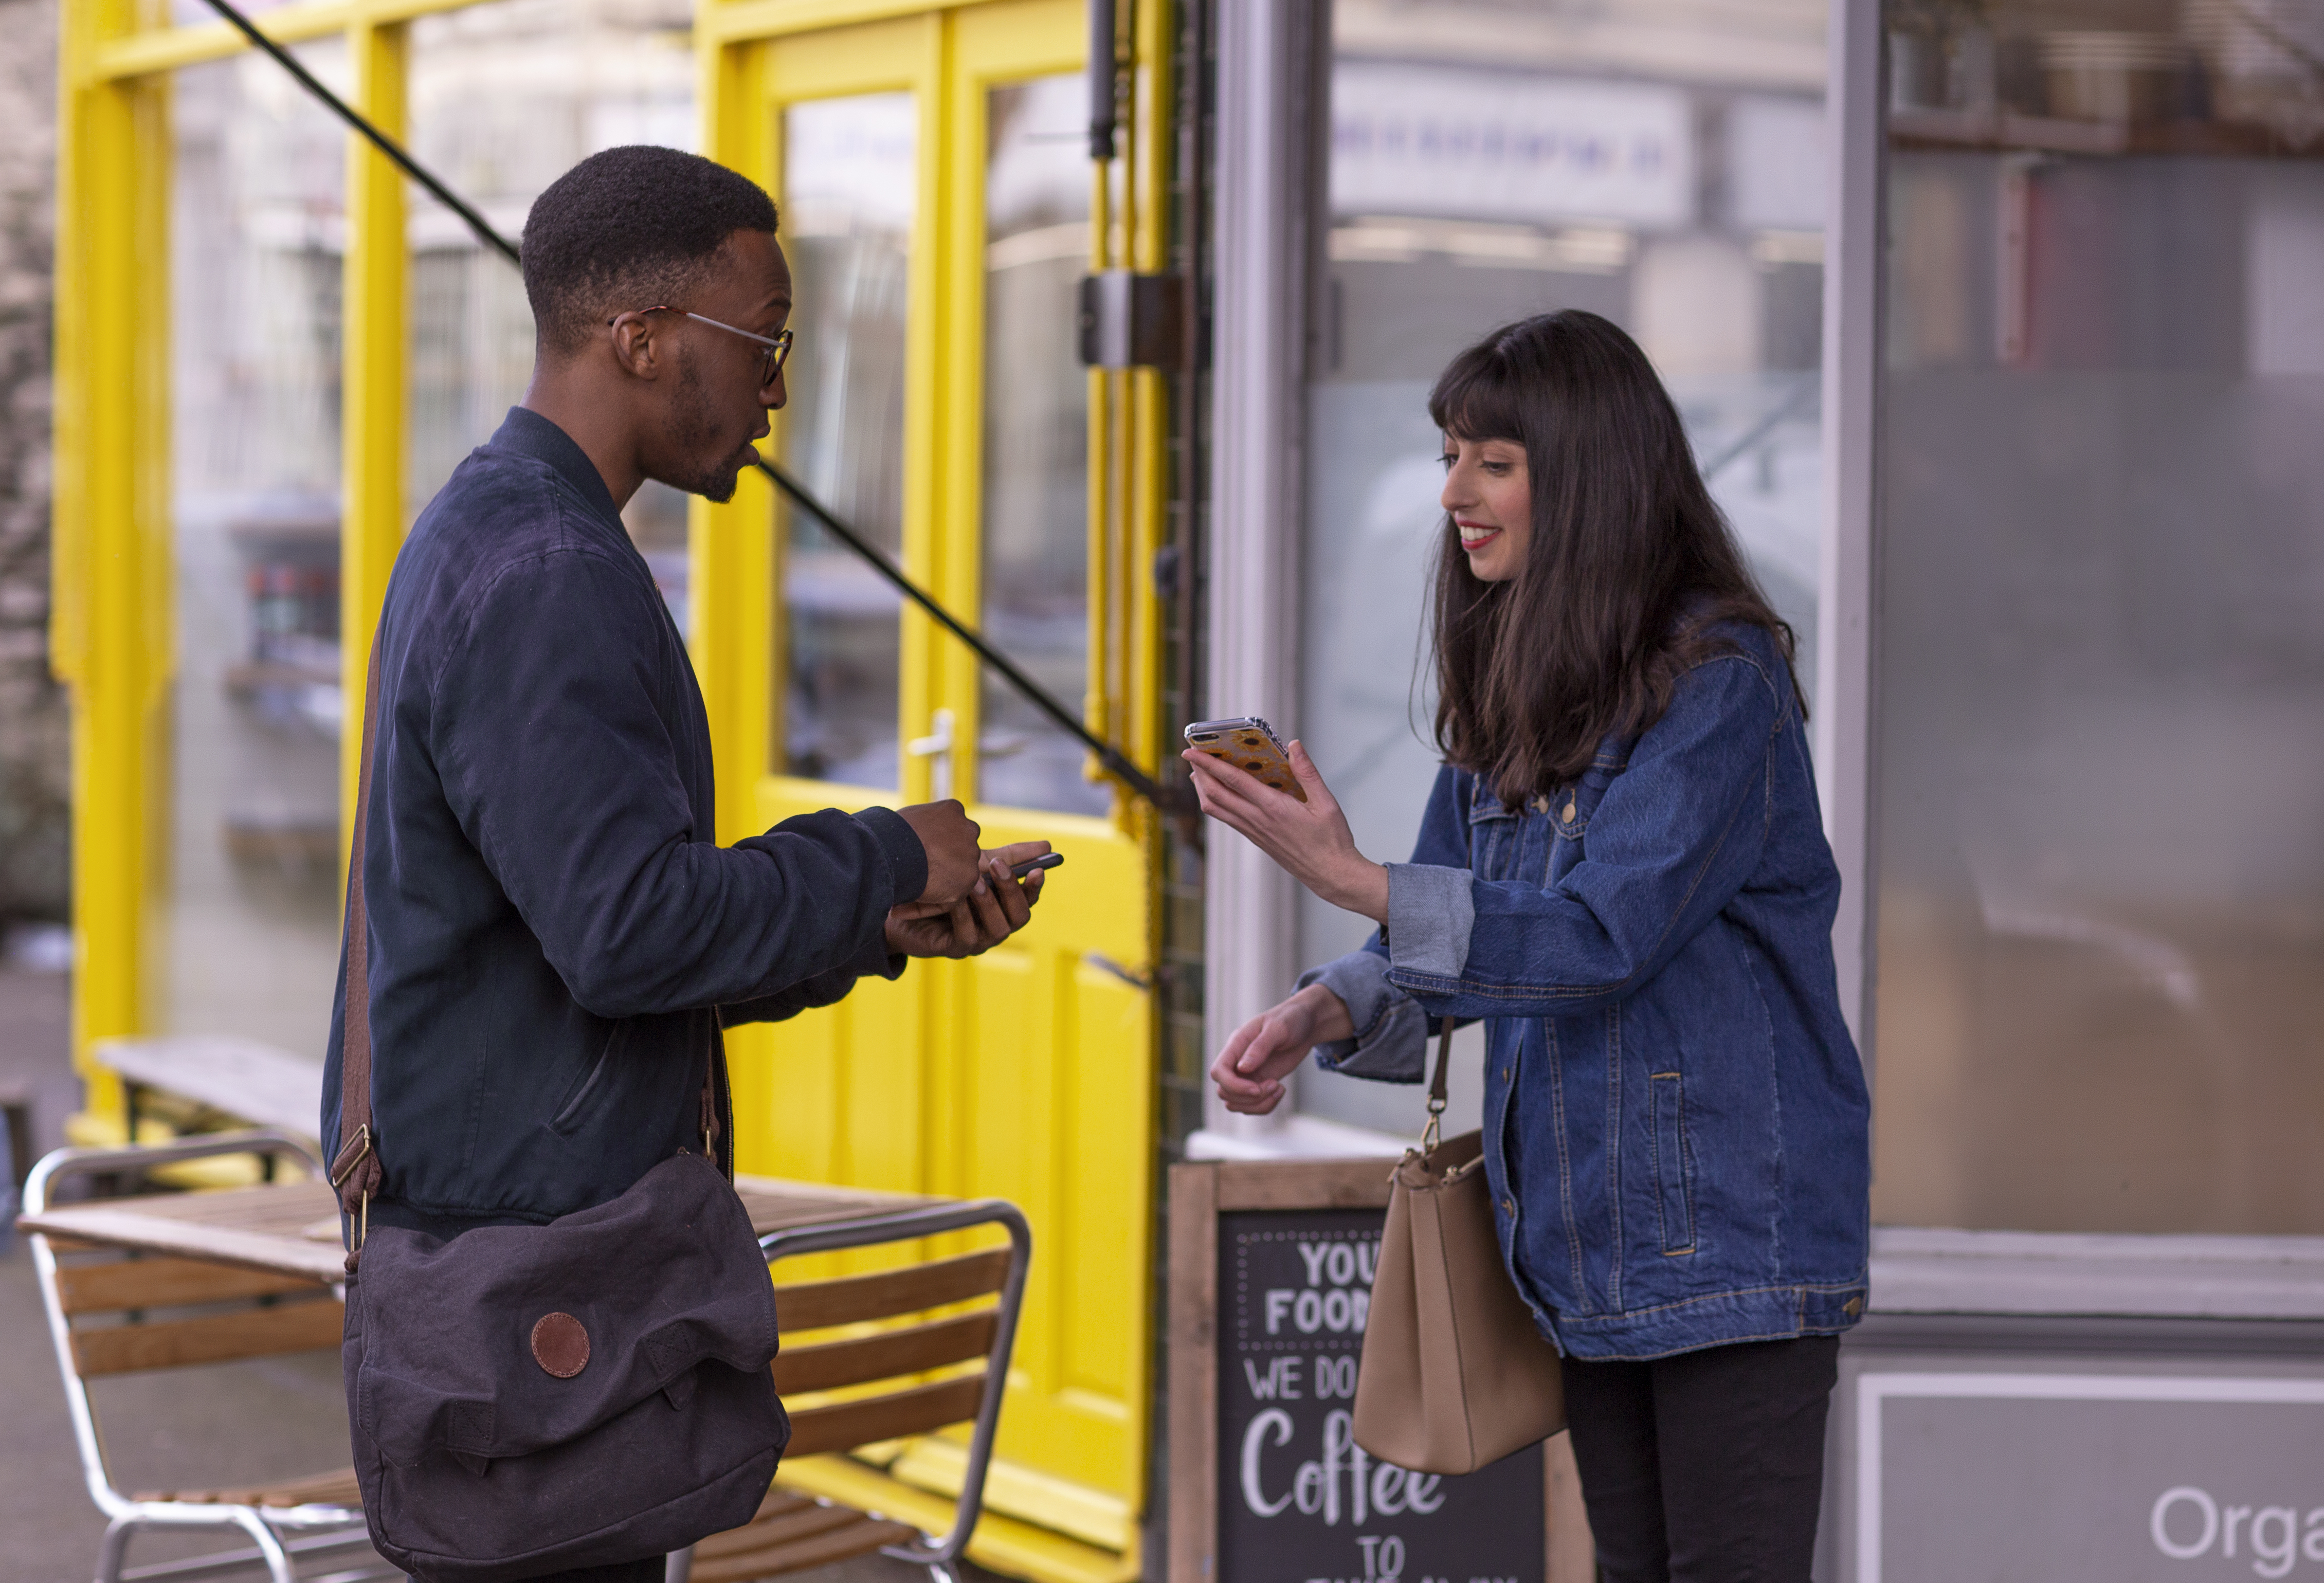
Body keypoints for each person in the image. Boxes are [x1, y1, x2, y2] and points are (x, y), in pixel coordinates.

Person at [320, 145, 1043, 1583]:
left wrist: (884, 917)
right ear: (638, 338)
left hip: (528, 1257)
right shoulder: (547, 575)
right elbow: (627, 933)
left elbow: (598, 940)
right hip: (533, 1284)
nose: (780, 382)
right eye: (763, 337)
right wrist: (882, 850)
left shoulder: (504, 536)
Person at [1186, 309, 1869, 1583]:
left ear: (1590, 476)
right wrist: (1323, 1012)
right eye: (1450, 455)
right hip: (1579, 1241)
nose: (1452, 492)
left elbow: (1594, 938)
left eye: (1491, 461)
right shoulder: (1522, 673)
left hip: (1729, 1243)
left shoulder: (1720, 681)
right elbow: (1464, 928)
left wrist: (1349, 875)